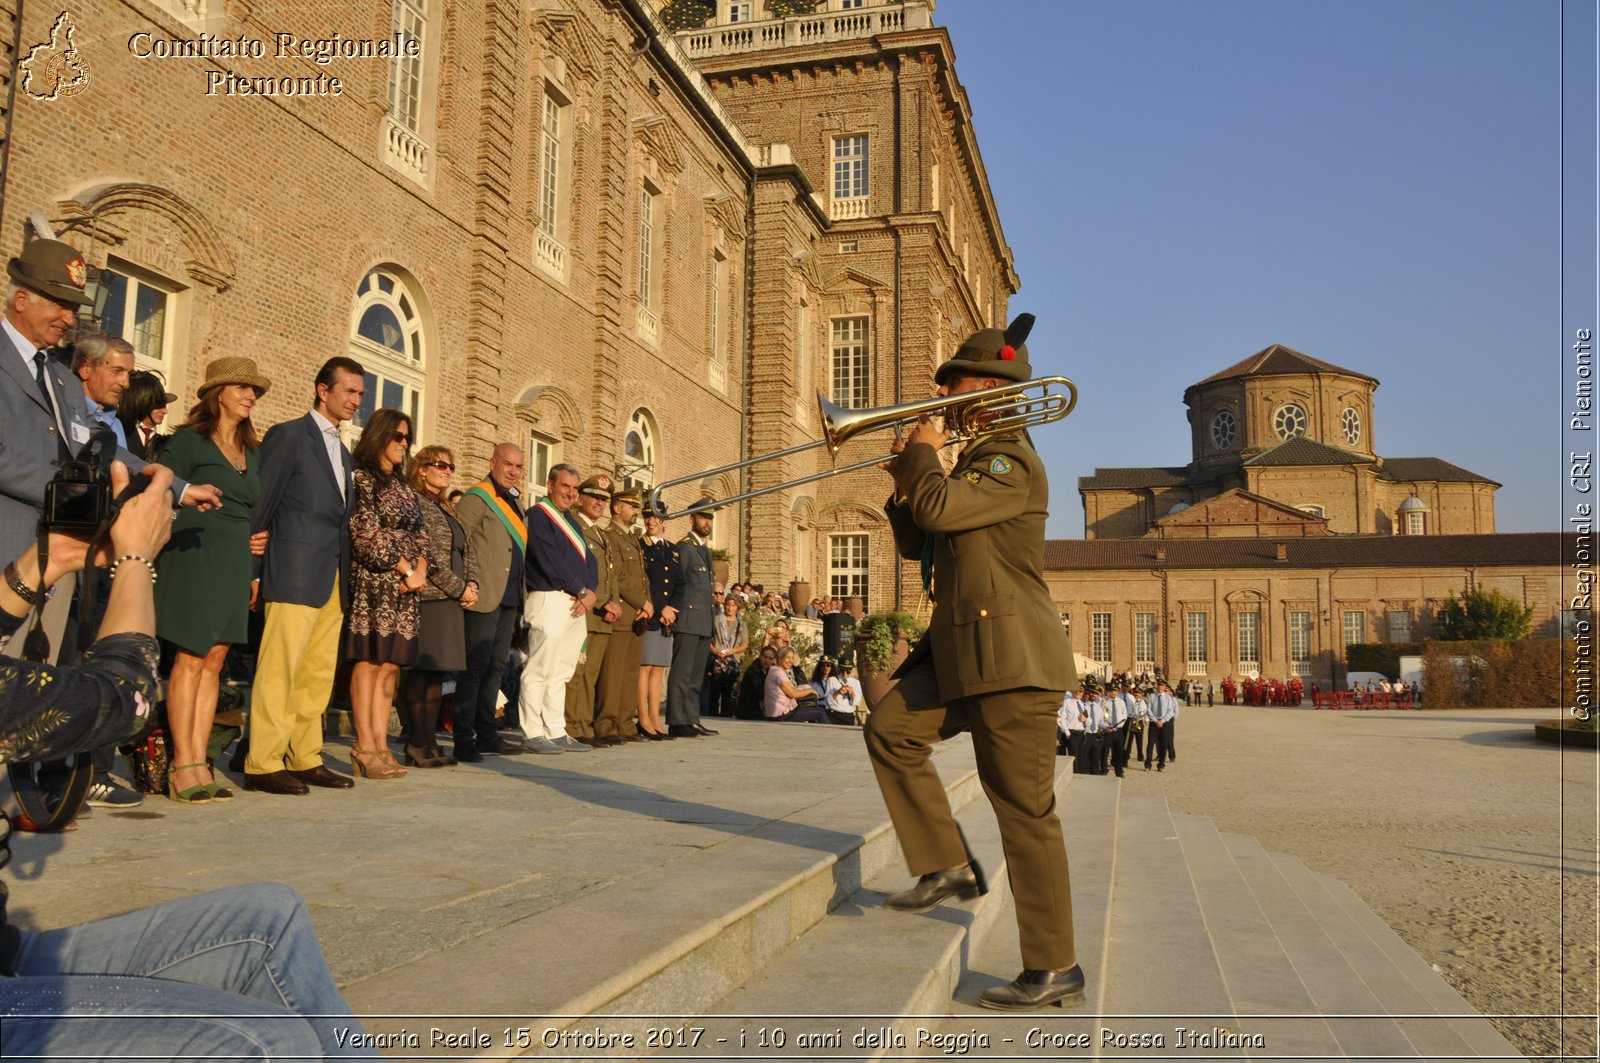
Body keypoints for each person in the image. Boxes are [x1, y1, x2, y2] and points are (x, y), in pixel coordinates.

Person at [0, 461, 381, 1059]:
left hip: (8, 951)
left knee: (269, 916)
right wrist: (135, 563)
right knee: (270, 1042)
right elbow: (122, 699)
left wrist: (47, 563)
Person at [862, 315, 1083, 1011]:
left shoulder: (1007, 459)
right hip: (962, 651)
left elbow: (942, 506)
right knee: (891, 728)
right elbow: (922, 532)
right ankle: (947, 863)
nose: (943, 401)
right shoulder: (973, 459)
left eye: (953, 386)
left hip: (1012, 661)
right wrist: (906, 477)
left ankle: (1054, 966)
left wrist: (922, 460)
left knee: (1024, 811)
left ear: (988, 388)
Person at [245, 356, 364, 795]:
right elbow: (262, 507)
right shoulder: (289, 436)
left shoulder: (344, 452)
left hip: (332, 575)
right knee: (280, 668)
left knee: (316, 672)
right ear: (322, 389)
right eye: (349, 391)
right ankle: (262, 761)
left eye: (359, 394)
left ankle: (305, 755)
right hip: (292, 570)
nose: (356, 401)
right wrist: (254, 572)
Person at [155, 356, 271, 803]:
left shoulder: (253, 450)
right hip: (193, 553)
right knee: (190, 656)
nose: (250, 396)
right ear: (217, 393)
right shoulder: (189, 441)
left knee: (216, 660)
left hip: (236, 558)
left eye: (254, 391)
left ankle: (200, 759)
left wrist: (254, 557)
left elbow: (251, 508)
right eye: (242, 387)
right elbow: (160, 487)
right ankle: (181, 764)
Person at [344, 409, 428, 780]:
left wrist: (420, 569)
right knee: (370, 663)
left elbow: (422, 533)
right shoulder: (361, 479)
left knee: (391, 666)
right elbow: (365, 534)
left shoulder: (407, 488)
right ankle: (365, 745)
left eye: (407, 437)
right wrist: (406, 568)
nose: (403, 443)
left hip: (407, 590)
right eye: (397, 436)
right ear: (379, 436)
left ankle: (381, 742)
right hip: (373, 584)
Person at [451, 443, 528, 762]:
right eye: (507, 464)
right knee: (475, 667)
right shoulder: (477, 497)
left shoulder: (516, 502)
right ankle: (462, 736)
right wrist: (465, 583)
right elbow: (458, 541)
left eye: (518, 467)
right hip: (483, 592)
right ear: (493, 462)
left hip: (509, 595)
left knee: (496, 667)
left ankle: (487, 733)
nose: (512, 471)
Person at [404, 443, 478, 768]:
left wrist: (472, 583)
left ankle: (431, 742)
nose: (447, 471)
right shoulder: (415, 502)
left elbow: (467, 549)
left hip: (452, 599)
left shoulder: (448, 507)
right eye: (439, 465)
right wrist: (458, 587)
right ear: (421, 469)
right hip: (432, 597)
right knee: (422, 673)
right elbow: (428, 556)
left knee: (437, 676)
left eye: (450, 466)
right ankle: (416, 741)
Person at [519, 463, 596, 754]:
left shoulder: (572, 521)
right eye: (565, 486)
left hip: (575, 602)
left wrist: (590, 591)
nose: (570, 493)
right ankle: (532, 731)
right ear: (550, 486)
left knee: (562, 670)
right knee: (539, 668)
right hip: (549, 597)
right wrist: (581, 589)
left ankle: (555, 728)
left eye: (575, 489)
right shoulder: (539, 516)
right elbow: (547, 559)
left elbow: (592, 561)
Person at [563, 474, 621, 748]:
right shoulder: (575, 527)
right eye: (595, 497)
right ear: (581, 498)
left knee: (591, 674)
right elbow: (578, 573)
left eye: (604, 499)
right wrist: (601, 603)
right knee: (577, 672)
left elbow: (610, 574)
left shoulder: (600, 532)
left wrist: (615, 603)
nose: (599, 503)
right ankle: (572, 725)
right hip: (585, 610)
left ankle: (585, 724)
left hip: (603, 615)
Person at [594, 486, 652, 744]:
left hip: (637, 614)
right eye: (632, 506)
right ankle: (607, 725)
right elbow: (618, 575)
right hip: (623, 612)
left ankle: (626, 724)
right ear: (617, 508)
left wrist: (647, 603)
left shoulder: (632, 538)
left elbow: (641, 577)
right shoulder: (611, 536)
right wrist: (641, 602)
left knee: (629, 674)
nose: (636, 511)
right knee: (613, 674)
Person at [666, 499, 718, 738]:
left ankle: (692, 718)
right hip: (687, 618)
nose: (707, 522)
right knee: (682, 672)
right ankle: (677, 720)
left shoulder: (705, 550)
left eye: (710, 518)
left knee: (696, 674)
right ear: (692, 519)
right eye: (703, 517)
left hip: (703, 620)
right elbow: (676, 584)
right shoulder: (685, 548)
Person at [637, 502, 679, 739]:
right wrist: (662, 609)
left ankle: (655, 717)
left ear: (664, 520)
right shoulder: (640, 546)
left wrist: (672, 609)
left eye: (655, 517)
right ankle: (643, 718)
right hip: (651, 616)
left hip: (667, 619)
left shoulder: (673, 550)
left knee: (659, 668)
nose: (650, 521)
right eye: (647, 517)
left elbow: (679, 584)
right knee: (645, 667)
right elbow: (645, 582)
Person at [117, 369, 176, 461]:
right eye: (159, 405)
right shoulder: (120, 432)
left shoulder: (167, 443)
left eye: (164, 405)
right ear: (144, 403)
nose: (165, 411)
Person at [705, 594, 748, 718]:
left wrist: (732, 651)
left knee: (728, 692)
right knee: (714, 692)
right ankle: (712, 716)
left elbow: (744, 644)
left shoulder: (741, 624)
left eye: (733, 605)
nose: (730, 608)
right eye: (728, 605)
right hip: (716, 659)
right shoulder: (717, 619)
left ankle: (726, 717)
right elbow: (709, 639)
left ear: (737, 607)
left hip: (732, 661)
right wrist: (716, 651)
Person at [764, 647, 828, 722]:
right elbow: (793, 694)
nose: (790, 661)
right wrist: (810, 690)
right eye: (787, 657)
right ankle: (832, 733)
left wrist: (805, 688)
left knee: (815, 710)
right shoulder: (778, 673)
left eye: (792, 658)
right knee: (820, 712)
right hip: (781, 714)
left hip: (780, 712)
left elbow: (793, 689)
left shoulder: (776, 671)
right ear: (780, 658)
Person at [1145, 680, 1179, 771]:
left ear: (1165, 687)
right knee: (1151, 744)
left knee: (1163, 744)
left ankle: (1161, 764)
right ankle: (1148, 764)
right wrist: (1156, 720)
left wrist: (1162, 721)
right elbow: (1149, 710)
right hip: (1154, 723)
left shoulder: (1168, 698)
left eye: (1162, 686)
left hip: (1165, 723)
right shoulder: (1152, 696)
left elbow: (1171, 711)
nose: (1160, 687)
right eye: (1158, 685)